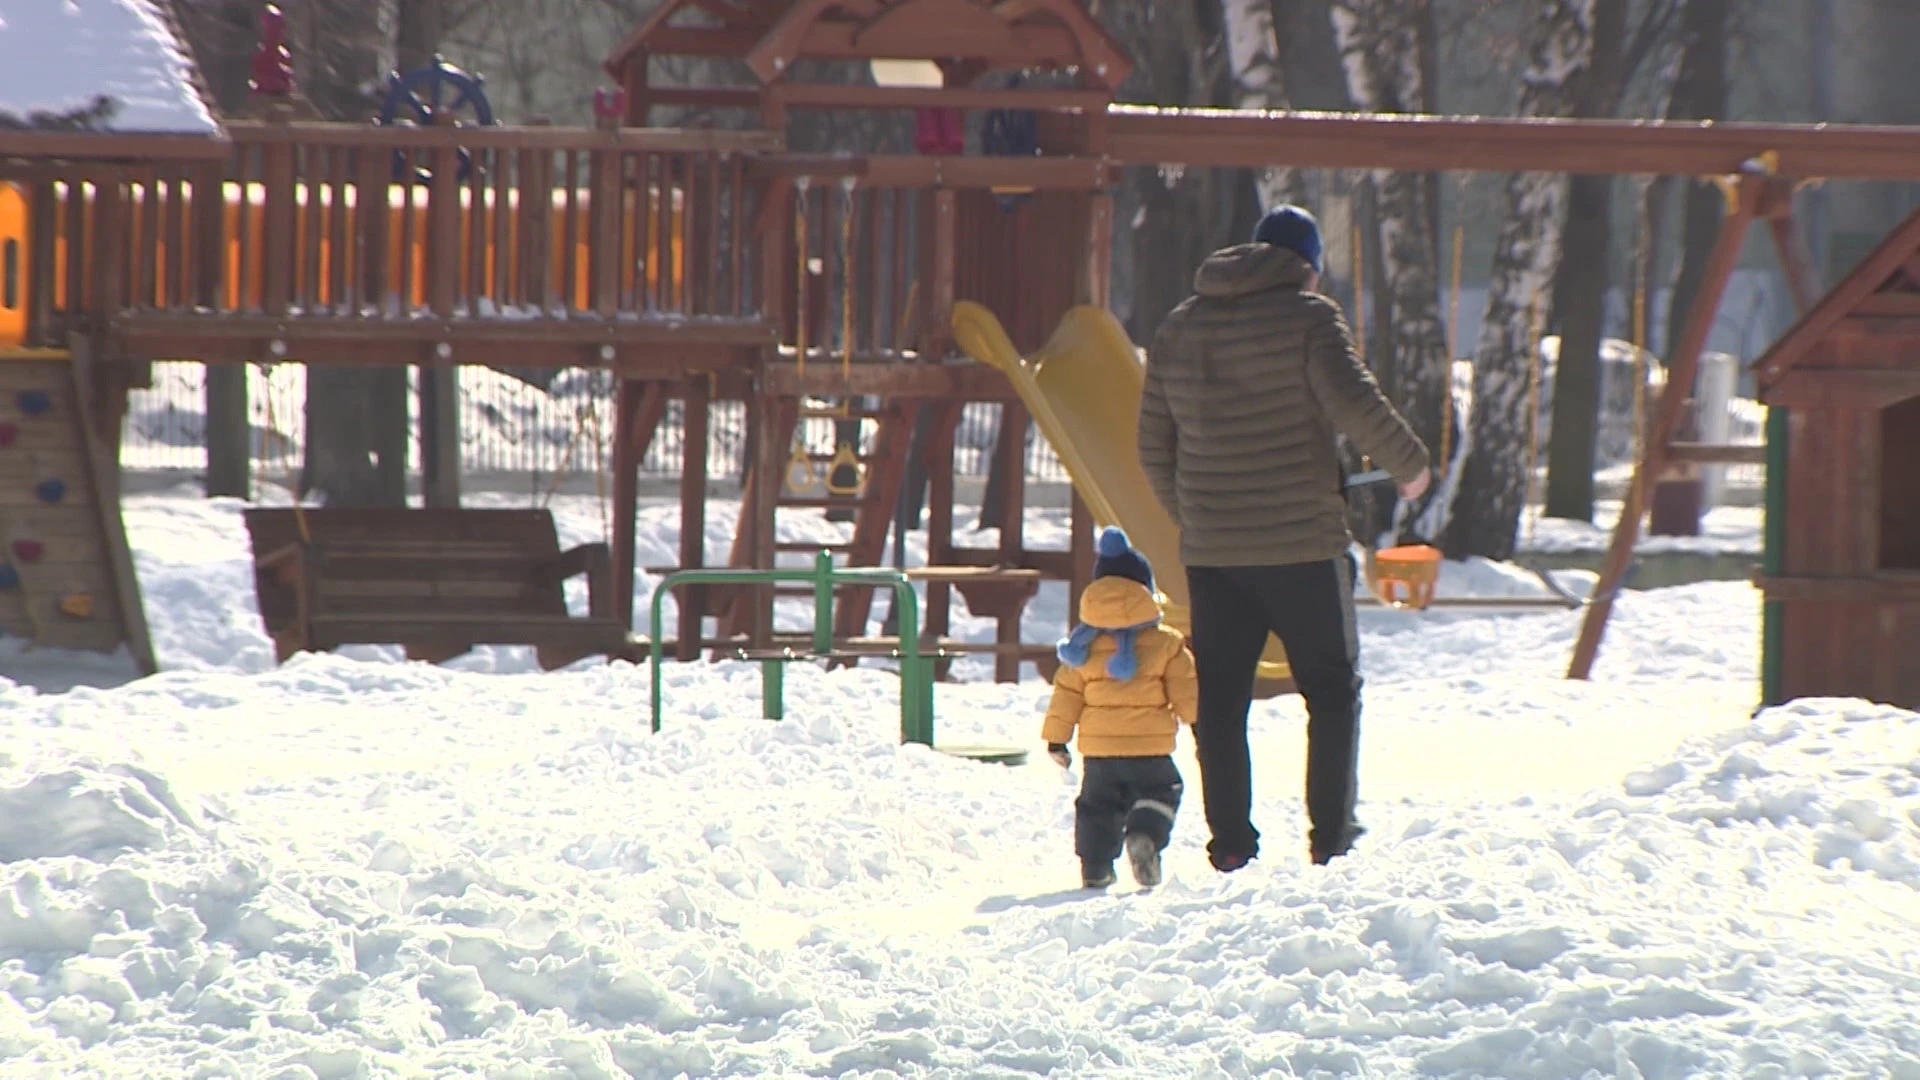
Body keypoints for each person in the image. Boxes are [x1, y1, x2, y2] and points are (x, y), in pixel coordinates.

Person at [1137, 203, 1431, 872]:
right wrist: (1411, 468)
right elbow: (1356, 402)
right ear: (1306, 268)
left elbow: (1152, 446)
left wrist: (1197, 512)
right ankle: (1330, 836)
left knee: (1222, 700)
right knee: (1330, 689)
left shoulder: (1179, 327)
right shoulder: (1308, 319)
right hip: (1303, 547)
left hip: (1216, 553)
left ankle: (1230, 844)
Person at [1042, 526, 1200, 890]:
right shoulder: (1166, 644)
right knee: (1162, 791)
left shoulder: (1081, 647)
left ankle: (1095, 866)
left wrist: (1055, 739)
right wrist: (1196, 722)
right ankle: (1144, 833)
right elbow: (1186, 689)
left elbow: (1066, 696)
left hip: (1099, 754)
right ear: (1146, 591)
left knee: (1097, 808)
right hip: (1151, 749)